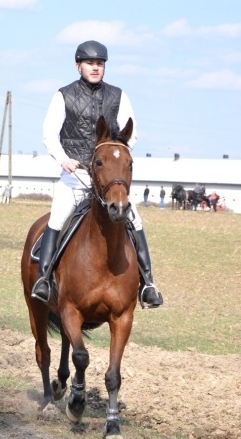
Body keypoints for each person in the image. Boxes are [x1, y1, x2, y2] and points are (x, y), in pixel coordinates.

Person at [32, 40, 163, 308]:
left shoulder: (118, 96)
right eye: (90, 63)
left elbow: (131, 132)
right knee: (57, 218)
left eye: (100, 64)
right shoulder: (63, 95)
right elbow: (49, 134)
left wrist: (117, 156)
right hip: (76, 176)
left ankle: (148, 283)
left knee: (134, 220)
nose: (95, 67)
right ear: (78, 65)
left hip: (107, 181)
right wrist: (63, 159)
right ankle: (44, 279)